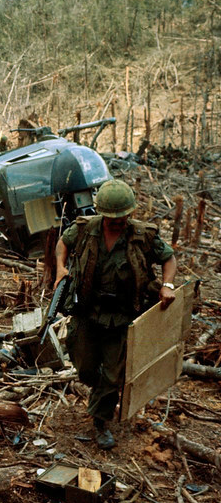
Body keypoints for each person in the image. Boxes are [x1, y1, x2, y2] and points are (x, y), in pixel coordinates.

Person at [54, 179, 176, 450]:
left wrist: (167, 285)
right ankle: (101, 392)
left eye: (123, 218)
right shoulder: (84, 230)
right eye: (113, 219)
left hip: (123, 317)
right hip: (88, 313)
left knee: (112, 375)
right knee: (85, 368)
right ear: (102, 214)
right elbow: (62, 244)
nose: (119, 223)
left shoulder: (143, 236)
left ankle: (100, 420)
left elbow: (169, 258)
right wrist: (61, 268)